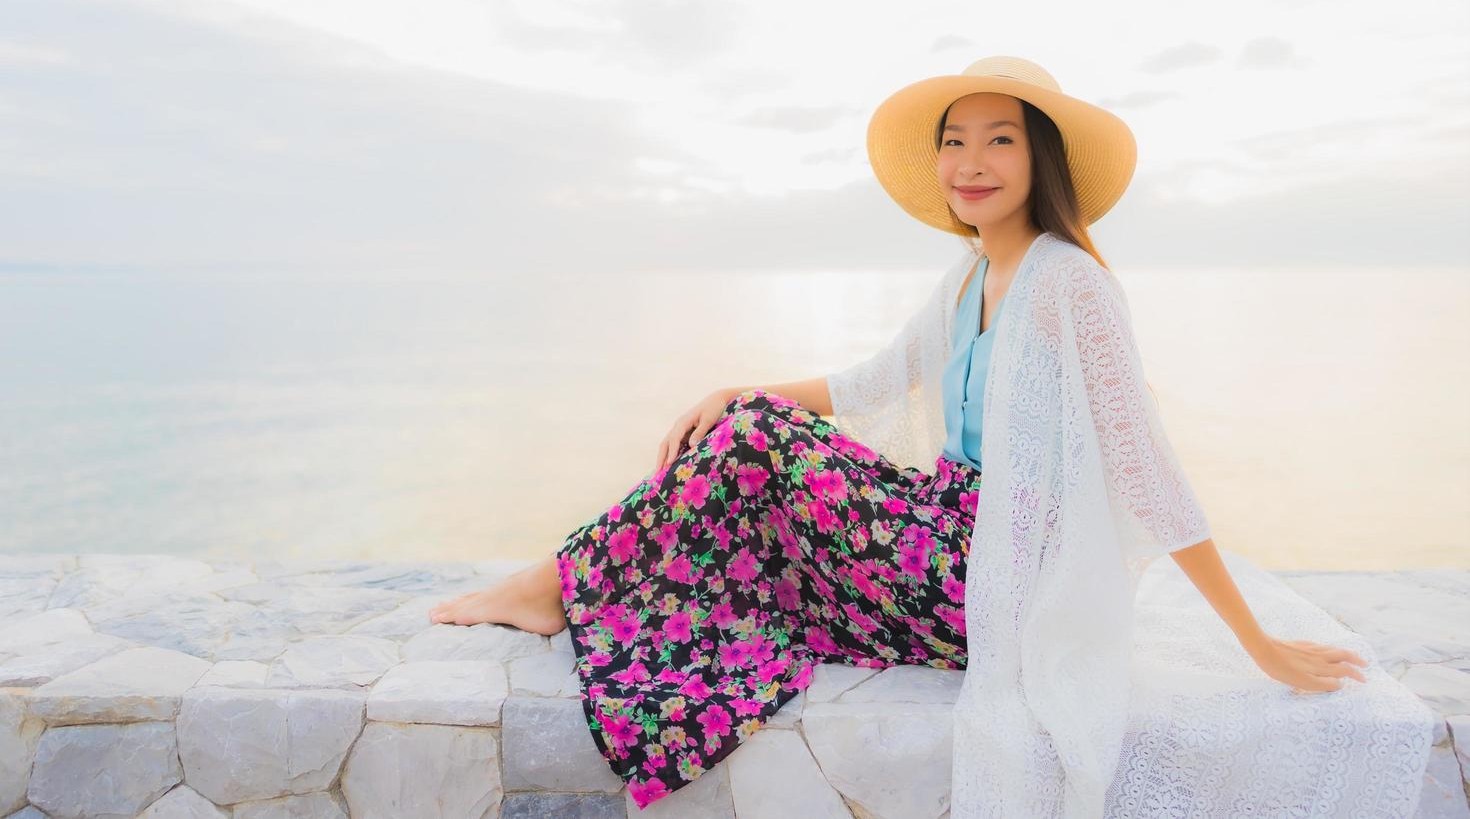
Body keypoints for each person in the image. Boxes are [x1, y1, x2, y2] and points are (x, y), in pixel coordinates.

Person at [430, 56, 1433, 816]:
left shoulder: (1071, 284)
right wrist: (736, 387)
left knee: (757, 446)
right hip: (940, 529)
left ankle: (554, 585)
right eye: (956, 139)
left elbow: (1146, 470)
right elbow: (872, 382)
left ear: (1041, 157)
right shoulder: (965, 277)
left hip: (991, 579)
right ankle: (559, 585)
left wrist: (1258, 642)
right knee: (749, 425)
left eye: (1000, 139)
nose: (971, 161)